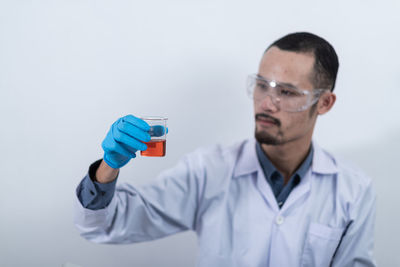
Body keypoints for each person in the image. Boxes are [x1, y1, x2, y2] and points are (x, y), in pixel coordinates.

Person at [74, 32, 376, 267]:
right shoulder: (208, 171)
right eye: (262, 85)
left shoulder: (353, 190)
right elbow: (107, 225)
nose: (267, 103)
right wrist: (108, 167)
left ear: (324, 103)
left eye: (286, 91)